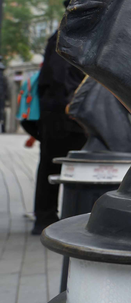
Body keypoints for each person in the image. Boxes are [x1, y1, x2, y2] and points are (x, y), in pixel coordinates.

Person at [32, 29, 87, 235]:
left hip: (59, 113)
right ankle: (46, 217)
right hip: (62, 115)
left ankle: (46, 216)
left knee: (51, 164)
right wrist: (72, 106)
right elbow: (60, 77)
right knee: (54, 164)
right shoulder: (68, 35)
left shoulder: (66, 35)